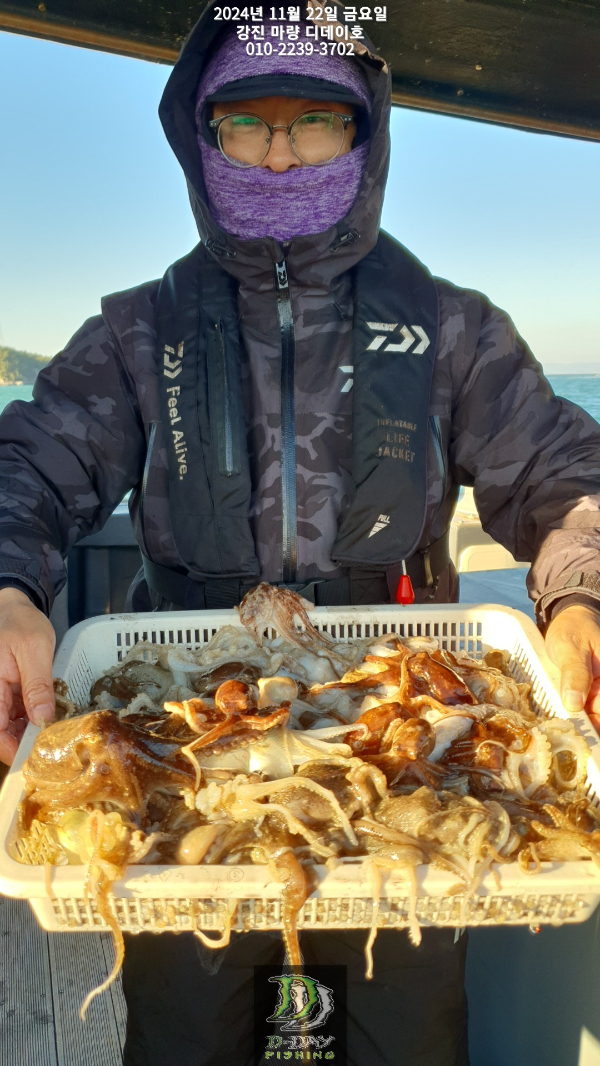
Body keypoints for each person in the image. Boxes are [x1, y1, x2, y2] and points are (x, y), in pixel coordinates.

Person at [1, 3, 600, 1064]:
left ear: (364, 136)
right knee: (187, 1033)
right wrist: (7, 590)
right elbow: (30, 469)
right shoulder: (137, 330)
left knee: (409, 1031)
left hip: (405, 734)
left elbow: (565, 478)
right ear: (203, 138)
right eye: (246, 122)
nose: (279, 153)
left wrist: (582, 596)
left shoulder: (452, 327)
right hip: (188, 730)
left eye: (314, 121)